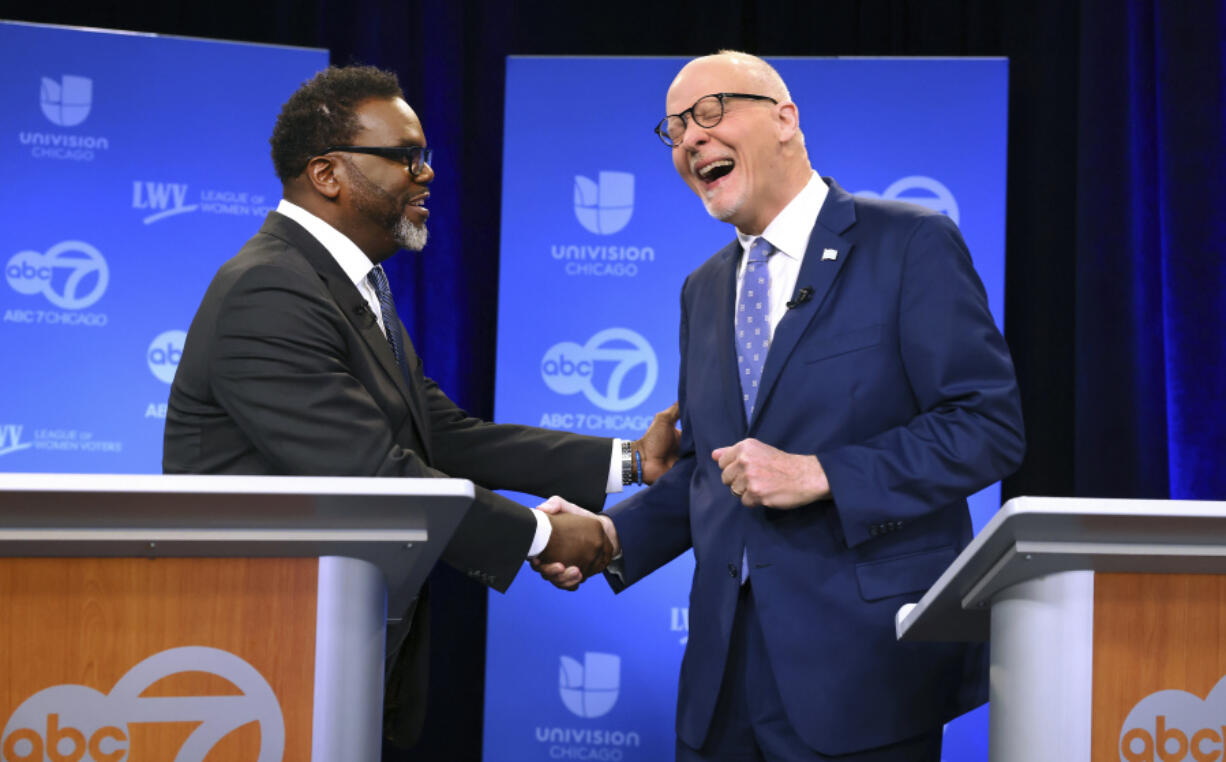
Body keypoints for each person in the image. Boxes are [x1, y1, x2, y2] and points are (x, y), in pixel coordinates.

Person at [162, 64, 678, 748]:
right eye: (407, 158)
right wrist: (542, 535)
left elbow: (441, 433)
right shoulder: (270, 290)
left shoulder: (351, 285)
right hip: (261, 660)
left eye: (424, 157)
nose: (427, 174)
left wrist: (634, 463)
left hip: (346, 643)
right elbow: (368, 474)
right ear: (328, 175)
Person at [536, 52, 1025, 761]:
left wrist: (823, 472)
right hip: (719, 687)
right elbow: (715, 470)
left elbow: (987, 426)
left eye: (710, 112)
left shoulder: (908, 244)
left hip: (863, 676)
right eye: (673, 129)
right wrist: (614, 537)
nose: (690, 139)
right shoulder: (702, 289)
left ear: (785, 119)